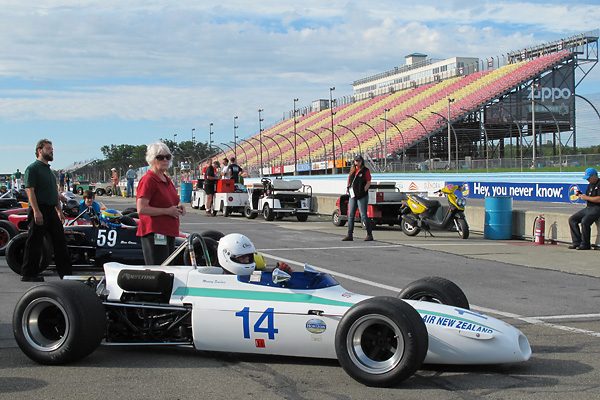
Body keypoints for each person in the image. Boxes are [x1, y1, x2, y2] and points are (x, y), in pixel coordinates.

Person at [21, 139, 72, 281]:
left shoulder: (49, 171)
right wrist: (36, 211)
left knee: (60, 242)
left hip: (51, 210)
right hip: (39, 209)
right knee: (34, 243)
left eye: (52, 149)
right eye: (49, 148)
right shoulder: (32, 168)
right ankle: (28, 274)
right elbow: (30, 191)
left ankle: (66, 275)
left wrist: (59, 210)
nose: (52, 151)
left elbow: (53, 192)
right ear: (40, 151)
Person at [136, 141, 186, 265]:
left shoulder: (166, 179)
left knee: (169, 269)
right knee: (159, 268)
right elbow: (141, 209)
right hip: (155, 232)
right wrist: (167, 211)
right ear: (152, 159)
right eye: (160, 157)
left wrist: (179, 208)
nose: (165, 160)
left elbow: (168, 202)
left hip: (169, 231)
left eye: (167, 157)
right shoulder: (148, 180)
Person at [342, 155, 373, 242]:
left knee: (363, 215)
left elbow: (368, 182)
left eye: (359, 161)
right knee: (351, 215)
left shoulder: (365, 171)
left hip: (361, 195)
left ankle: (369, 234)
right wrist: (348, 187)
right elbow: (349, 180)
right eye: (356, 161)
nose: (357, 162)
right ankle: (349, 234)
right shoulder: (352, 171)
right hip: (353, 195)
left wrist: (363, 191)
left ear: (362, 162)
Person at [568, 167, 600, 250]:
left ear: (595, 175)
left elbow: (598, 199)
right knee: (572, 219)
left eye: (589, 178)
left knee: (585, 221)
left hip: (597, 208)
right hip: (588, 208)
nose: (588, 180)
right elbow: (588, 196)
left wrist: (587, 198)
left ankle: (585, 244)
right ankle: (576, 242)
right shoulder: (590, 185)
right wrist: (580, 195)